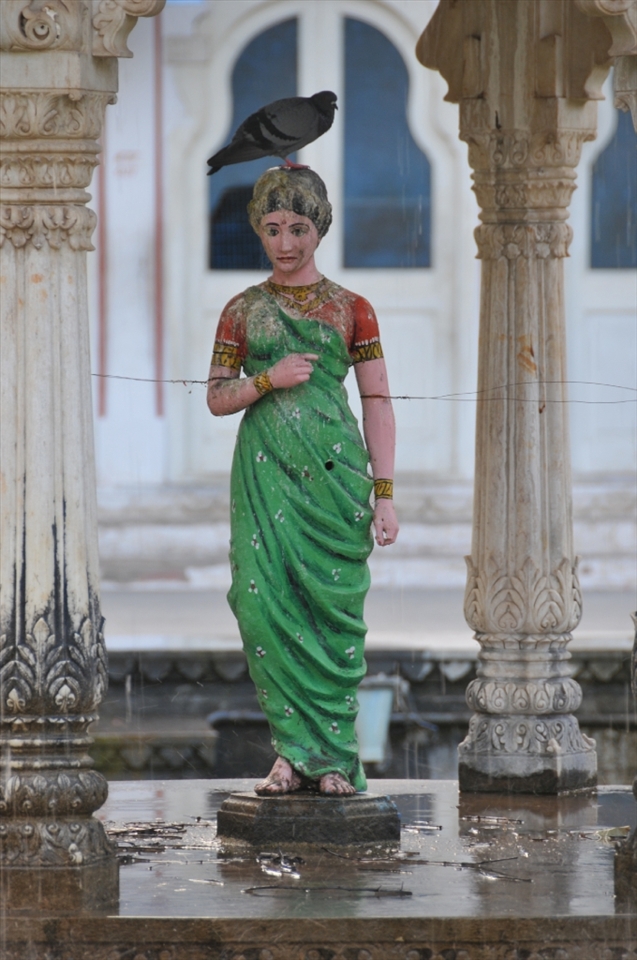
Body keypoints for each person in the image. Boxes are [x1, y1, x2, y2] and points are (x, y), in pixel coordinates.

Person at [207, 167, 399, 796]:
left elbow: (377, 400)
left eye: (298, 228)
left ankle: (336, 758)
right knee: (262, 607)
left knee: (333, 614)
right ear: (259, 231)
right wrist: (268, 380)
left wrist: (385, 492)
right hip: (265, 479)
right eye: (272, 229)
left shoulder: (354, 310)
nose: (285, 243)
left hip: (335, 479)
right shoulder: (241, 310)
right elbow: (215, 398)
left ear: (319, 227)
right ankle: (289, 754)